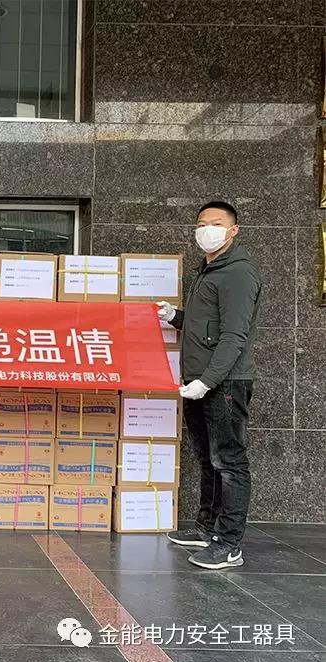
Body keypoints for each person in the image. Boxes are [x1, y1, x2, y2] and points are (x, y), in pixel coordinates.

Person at [157, 201, 261, 570]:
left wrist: (207, 381)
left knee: (229, 462)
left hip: (224, 382)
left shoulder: (238, 273)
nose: (207, 230)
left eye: (216, 224)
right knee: (208, 459)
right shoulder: (210, 269)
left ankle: (229, 544)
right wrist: (176, 317)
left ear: (234, 230)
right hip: (200, 380)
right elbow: (208, 327)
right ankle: (207, 528)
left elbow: (234, 336)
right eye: (202, 224)